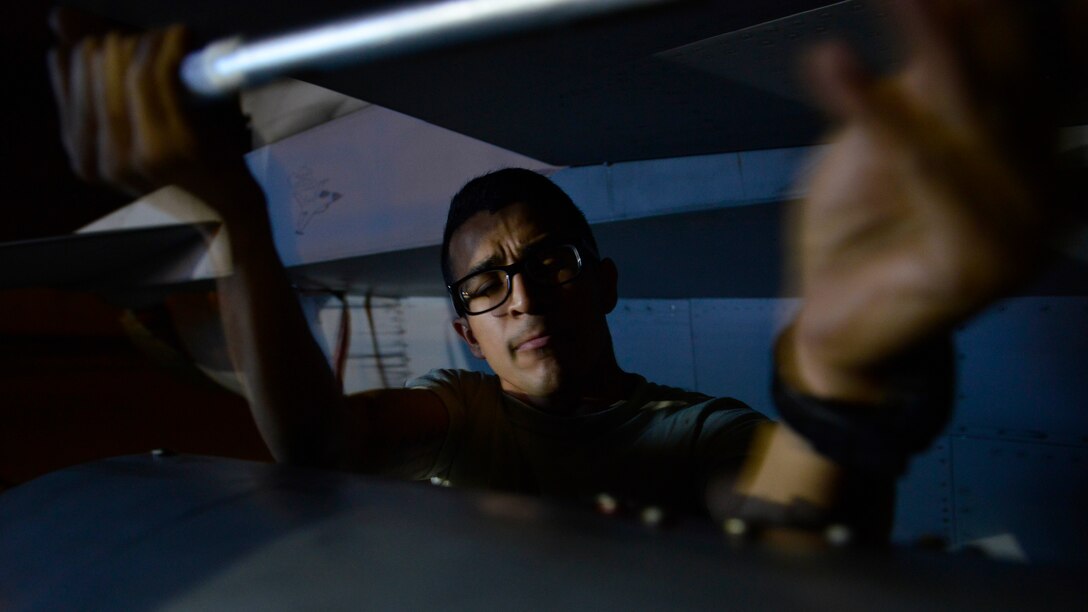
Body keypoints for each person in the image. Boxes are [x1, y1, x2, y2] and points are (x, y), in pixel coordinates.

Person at [47, 0, 1078, 542]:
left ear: (604, 283)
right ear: (467, 334)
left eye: (550, 265)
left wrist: (835, 375)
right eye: (488, 286)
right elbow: (317, 439)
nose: (524, 297)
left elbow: (781, 518)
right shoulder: (466, 414)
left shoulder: (696, 434)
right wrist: (235, 220)